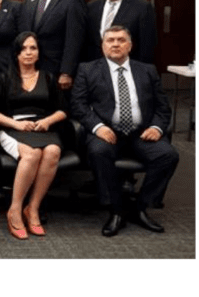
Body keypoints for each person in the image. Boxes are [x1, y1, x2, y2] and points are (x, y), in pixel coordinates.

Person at [72, 25, 179, 237]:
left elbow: (162, 107)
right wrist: (98, 127)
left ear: (130, 46)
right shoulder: (88, 69)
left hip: (142, 133)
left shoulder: (147, 70)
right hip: (108, 132)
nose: (115, 44)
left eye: (121, 40)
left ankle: (141, 208)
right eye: (110, 40)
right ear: (103, 46)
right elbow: (78, 105)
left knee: (168, 155)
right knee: (98, 152)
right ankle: (116, 210)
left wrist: (157, 128)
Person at [0, 31, 67, 239]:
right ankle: (14, 209)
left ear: (39, 53)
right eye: (24, 49)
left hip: (43, 127)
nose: (29, 53)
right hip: (13, 128)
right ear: (16, 54)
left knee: (52, 151)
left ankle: (33, 208)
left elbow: (63, 110)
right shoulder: (3, 78)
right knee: (31, 155)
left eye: (33, 48)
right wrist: (16, 124)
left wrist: (47, 121)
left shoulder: (49, 77)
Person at [18, 0, 86, 92]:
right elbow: (24, 30)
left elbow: (74, 39)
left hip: (56, 70)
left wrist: (66, 72)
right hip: (31, 67)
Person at [84, 0, 157, 63]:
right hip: (95, 70)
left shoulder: (142, 7)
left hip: (126, 69)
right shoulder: (91, 7)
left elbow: (147, 47)